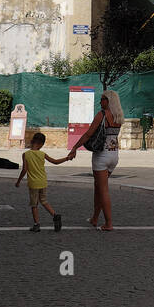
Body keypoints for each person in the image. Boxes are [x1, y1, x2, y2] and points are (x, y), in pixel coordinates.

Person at [67, 88, 123, 232]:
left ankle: (108, 223)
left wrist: (74, 148)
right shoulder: (118, 116)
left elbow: (88, 134)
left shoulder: (102, 115)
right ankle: (95, 218)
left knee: (103, 190)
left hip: (101, 156)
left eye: (102, 99)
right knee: (99, 187)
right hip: (114, 155)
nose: (100, 101)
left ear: (108, 101)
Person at [16, 132, 66, 233]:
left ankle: (36, 224)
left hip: (33, 183)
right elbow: (55, 162)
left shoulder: (25, 154)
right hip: (43, 181)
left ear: (32, 141)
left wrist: (18, 181)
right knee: (43, 201)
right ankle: (55, 215)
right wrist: (67, 158)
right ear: (41, 144)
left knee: (34, 204)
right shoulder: (42, 154)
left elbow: (24, 170)